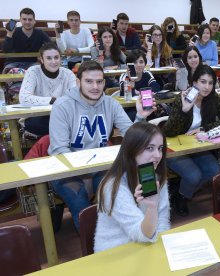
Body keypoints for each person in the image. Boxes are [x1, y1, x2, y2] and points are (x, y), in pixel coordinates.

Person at [48, 60, 155, 230]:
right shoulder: (62, 106)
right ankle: (93, 249)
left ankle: (118, 239)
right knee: (80, 202)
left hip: (100, 165)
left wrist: (141, 117)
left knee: (116, 196)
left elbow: (131, 136)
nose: (95, 87)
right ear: (78, 82)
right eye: (89, 81)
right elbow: (60, 150)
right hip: (67, 170)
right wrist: (85, 175)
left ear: (105, 83)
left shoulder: (110, 104)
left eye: (99, 81)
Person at [162, 65, 220, 216]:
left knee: (214, 170)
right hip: (175, 148)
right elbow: (168, 131)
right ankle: (182, 195)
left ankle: (180, 194)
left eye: (210, 83)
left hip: (197, 147)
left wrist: (205, 128)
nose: (207, 87)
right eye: (203, 82)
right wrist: (184, 111)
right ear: (194, 82)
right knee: (194, 175)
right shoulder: (182, 99)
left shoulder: (212, 99)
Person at [94, 122, 170, 252]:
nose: (158, 155)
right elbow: (140, 233)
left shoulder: (156, 177)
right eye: (150, 148)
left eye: (160, 148)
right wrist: (152, 207)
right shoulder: (113, 186)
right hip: (116, 252)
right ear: (132, 150)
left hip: (147, 245)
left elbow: (162, 222)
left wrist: (161, 250)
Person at [19, 42, 76, 136]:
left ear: (60, 58)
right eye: (49, 58)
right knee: (59, 126)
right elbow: (24, 98)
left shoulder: (68, 73)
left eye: (56, 57)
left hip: (61, 115)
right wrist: (52, 100)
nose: (53, 61)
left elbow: (74, 97)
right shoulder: (33, 71)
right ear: (41, 59)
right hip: (37, 117)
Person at [2, 8, 50, 72]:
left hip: (33, 64)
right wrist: (9, 34)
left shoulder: (40, 33)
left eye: (30, 19)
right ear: (20, 20)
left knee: (40, 71)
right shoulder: (13, 32)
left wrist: (42, 53)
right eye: (24, 19)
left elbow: (51, 46)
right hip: (13, 64)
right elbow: (6, 51)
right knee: (11, 73)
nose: (27, 22)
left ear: (34, 21)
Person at [119, 50, 160, 120]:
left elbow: (156, 88)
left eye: (141, 62)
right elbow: (127, 94)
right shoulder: (124, 76)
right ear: (129, 65)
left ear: (145, 64)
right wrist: (132, 80)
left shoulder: (147, 74)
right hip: (130, 108)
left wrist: (139, 92)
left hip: (147, 106)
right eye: (134, 62)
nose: (138, 65)